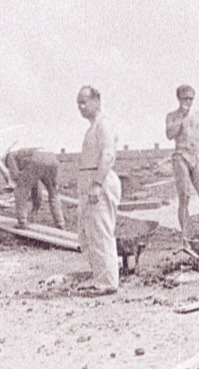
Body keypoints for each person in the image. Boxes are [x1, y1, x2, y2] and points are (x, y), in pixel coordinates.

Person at [76, 85, 121, 294]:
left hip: (100, 182)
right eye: (78, 103)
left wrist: (96, 184)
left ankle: (108, 282)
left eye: (84, 101)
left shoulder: (104, 125)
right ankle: (100, 278)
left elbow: (108, 156)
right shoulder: (92, 127)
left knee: (101, 232)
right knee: (89, 234)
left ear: (97, 100)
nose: (81, 106)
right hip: (90, 180)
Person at [165, 85, 199, 242]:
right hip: (181, 156)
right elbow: (169, 135)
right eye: (185, 98)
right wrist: (181, 116)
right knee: (184, 197)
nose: (188, 101)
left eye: (191, 98)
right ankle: (187, 235)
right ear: (179, 99)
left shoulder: (198, 115)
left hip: (196, 156)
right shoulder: (172, 116)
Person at [4, 145, 66, 228]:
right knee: (53, 193)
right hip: (52, 159)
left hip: (36, 160)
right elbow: (35, 187)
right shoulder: (25, 153)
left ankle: (22, 221)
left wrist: (18, 181)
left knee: (20, 191)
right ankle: (60, 223)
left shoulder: (10, 156)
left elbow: (16, 176)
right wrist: (35, 207)